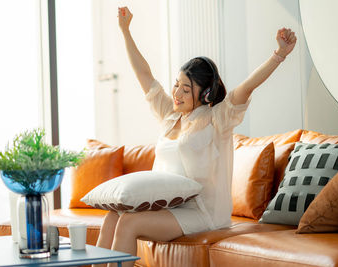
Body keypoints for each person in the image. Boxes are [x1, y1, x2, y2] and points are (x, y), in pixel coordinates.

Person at [93, 6, 297, 267]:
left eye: (186, 89)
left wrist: (278, 55)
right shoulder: (170, 114)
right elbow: (144, 74)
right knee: (113, 216)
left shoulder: (217, 118)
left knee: (129, 222)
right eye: (177, 84)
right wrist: (125, 31)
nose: (177, 93)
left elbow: (247, 87)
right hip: (166, 204)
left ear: (205, 94)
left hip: (201, 212)